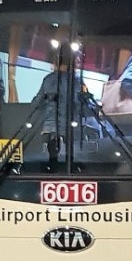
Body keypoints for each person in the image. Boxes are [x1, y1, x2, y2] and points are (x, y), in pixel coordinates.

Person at [32, 42, 88, 171]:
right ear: (73, 59)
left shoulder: (48, 79)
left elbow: (36, 103)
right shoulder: (77, 81)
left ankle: (52, 164)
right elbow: (81, 104)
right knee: (70, 151)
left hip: (49, 128)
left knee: (53, 151)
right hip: (70, 127)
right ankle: (70, 165)